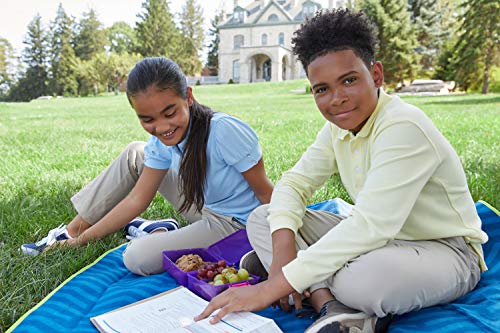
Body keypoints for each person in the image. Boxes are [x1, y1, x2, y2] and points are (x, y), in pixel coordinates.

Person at [195, 8, 488, 333]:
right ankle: (329, 306)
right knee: (265, 219)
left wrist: (269, 288)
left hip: (445, 250)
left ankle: (314, 285)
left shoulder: (402, 126)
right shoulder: (338, 127)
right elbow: (294, 184)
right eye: (322, 89)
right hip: (380, 242)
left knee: (360, 281)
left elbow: (370, 227)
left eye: (349, 80)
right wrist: (282, 256)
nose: (337, 99)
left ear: (376, 75)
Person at [21, 57, 274, 276]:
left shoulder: (224, 131)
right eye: (148, 119)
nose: (162, 127)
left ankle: (152, 234)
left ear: (188, 96)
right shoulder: (161, 141)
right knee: (136, 152)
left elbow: (266, 194)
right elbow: (136, 200)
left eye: (169, 112)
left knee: (136, 258)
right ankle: (72, 231)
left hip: (236, 226)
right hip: (203, 205)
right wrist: (80, 241)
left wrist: (282, 248)